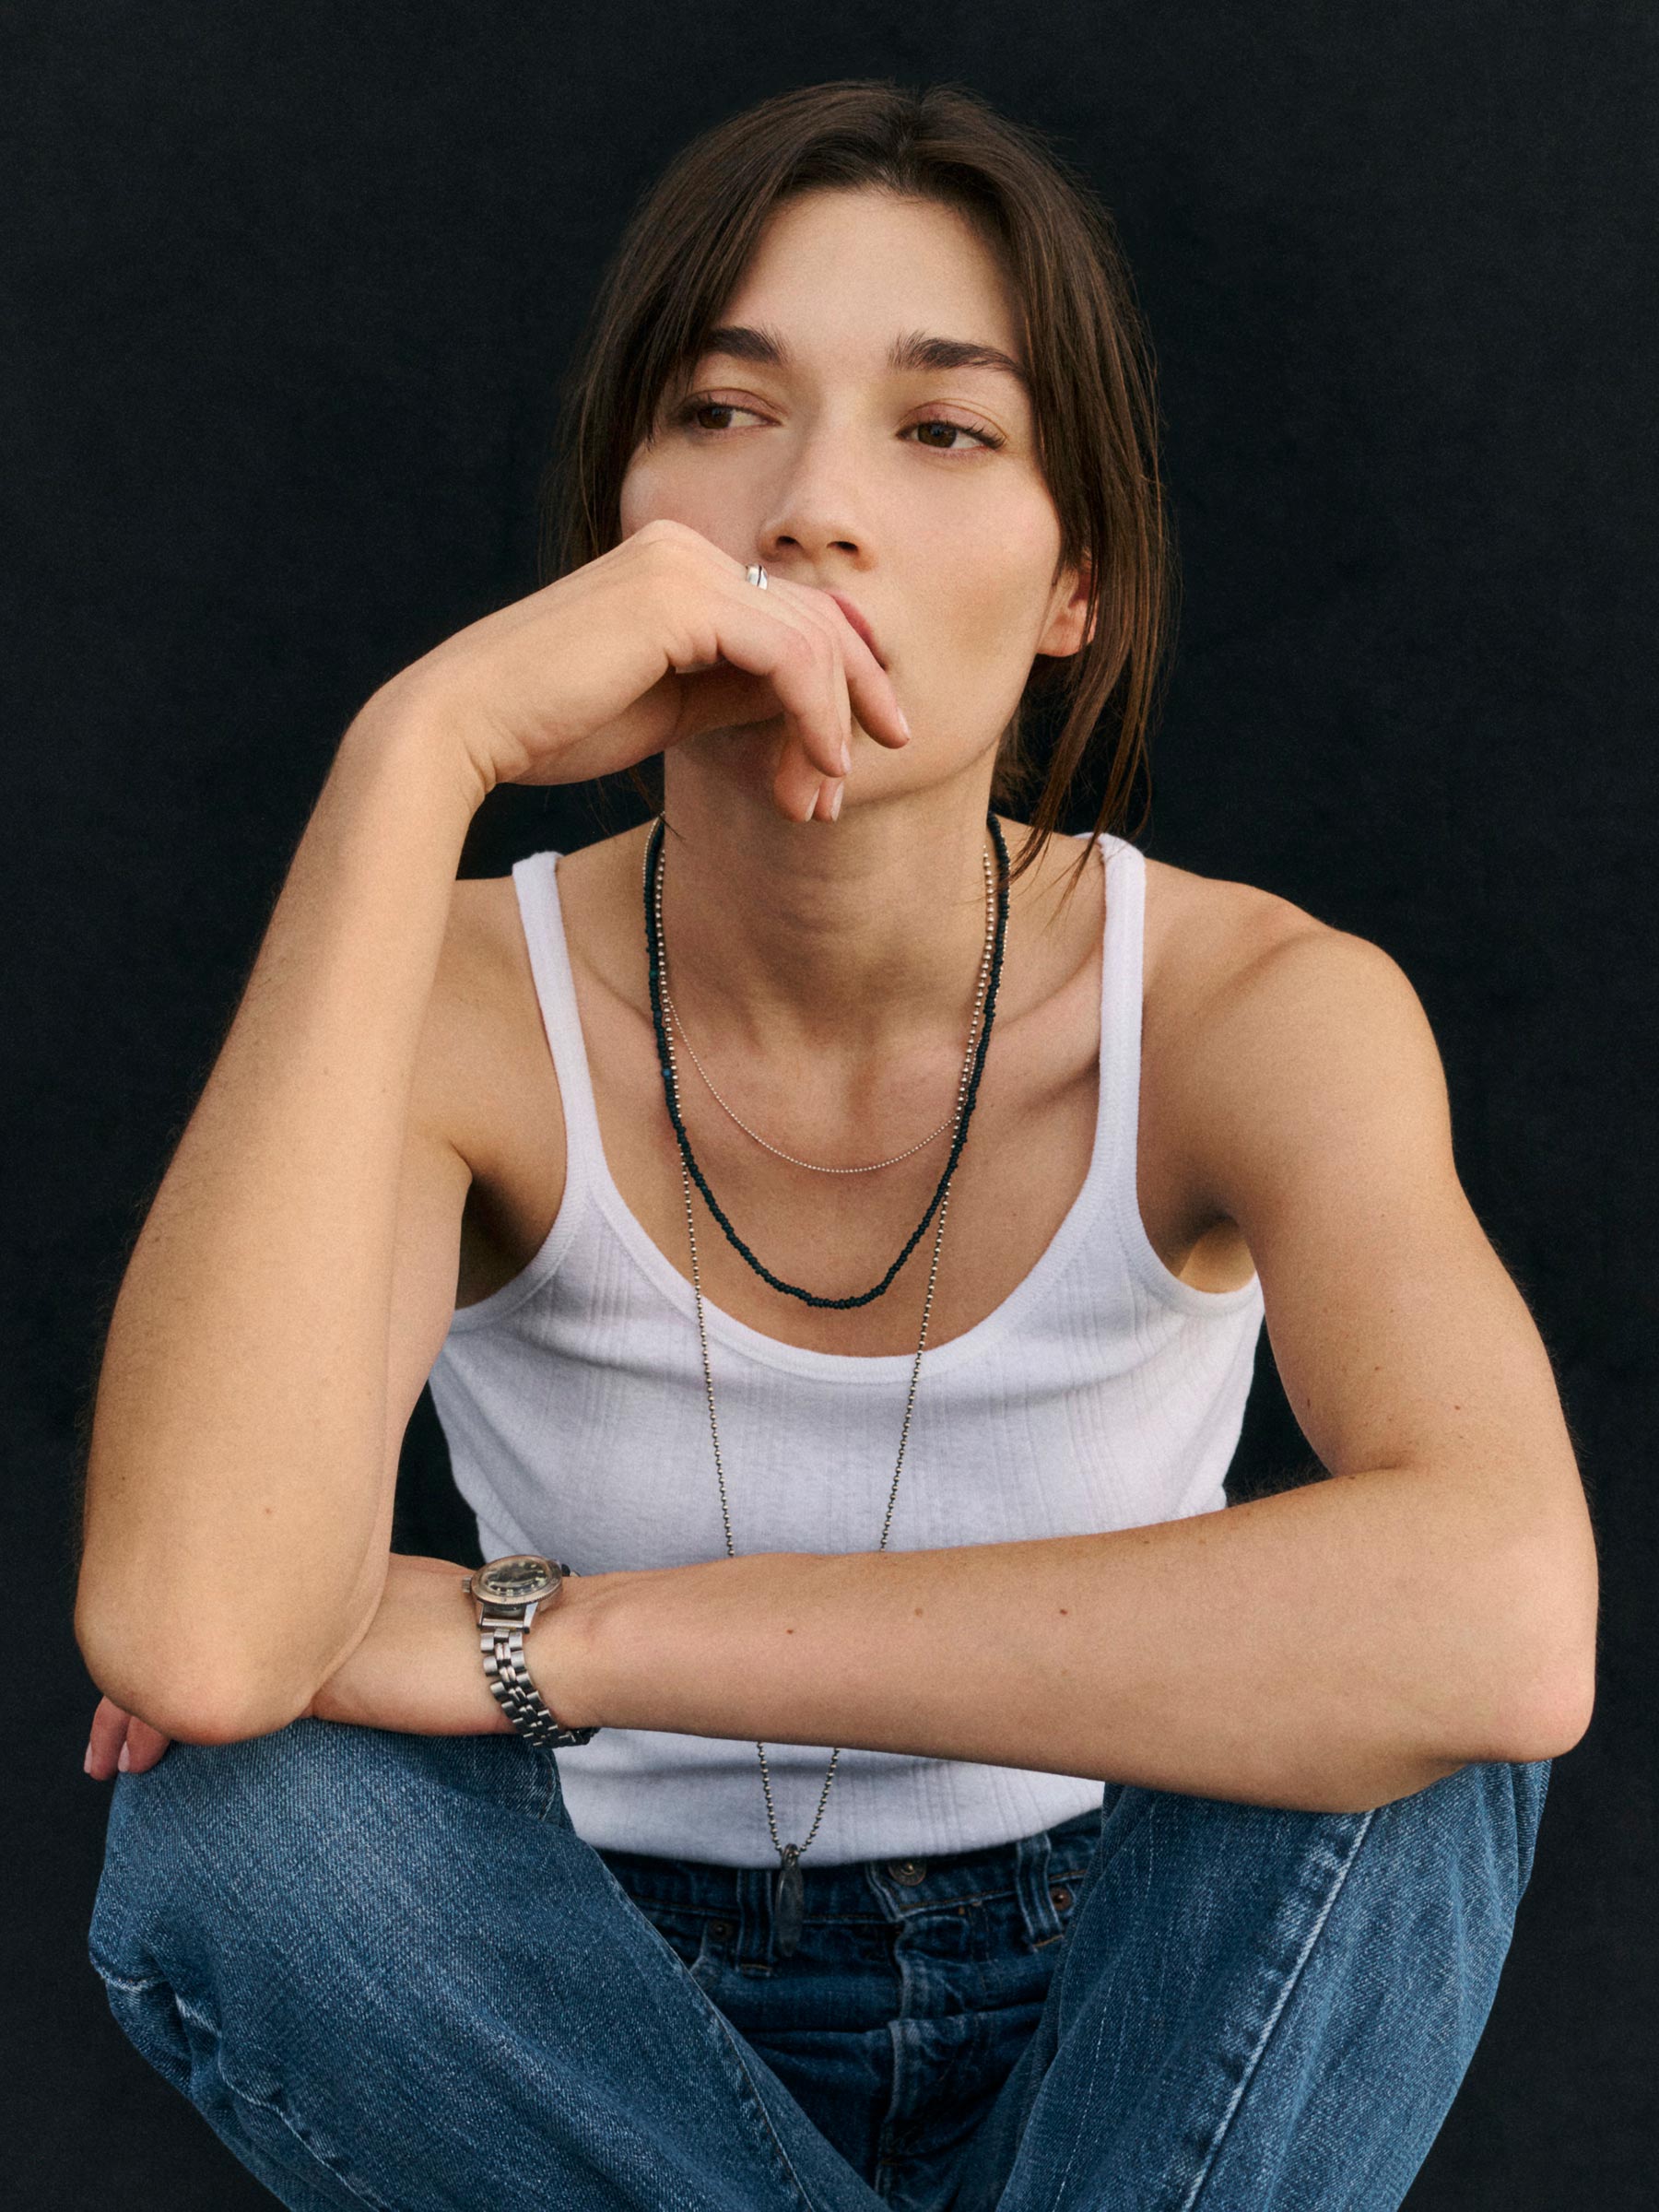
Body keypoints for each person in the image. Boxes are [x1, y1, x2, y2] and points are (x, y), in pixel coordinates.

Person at [75, 78, 1595, 2212]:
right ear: (622, 524)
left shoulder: (1251, 1005)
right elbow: (196, 1636)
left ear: (1076, 582)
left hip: (1130, 1991)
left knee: (1418, 1736)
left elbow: (1510, 1614)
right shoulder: (460, 996)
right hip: (583, 2012)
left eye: (942, 428)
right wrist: (421, 751)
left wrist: (565, 1641)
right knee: (244, 1827)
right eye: (724, 411)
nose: (809, 511)